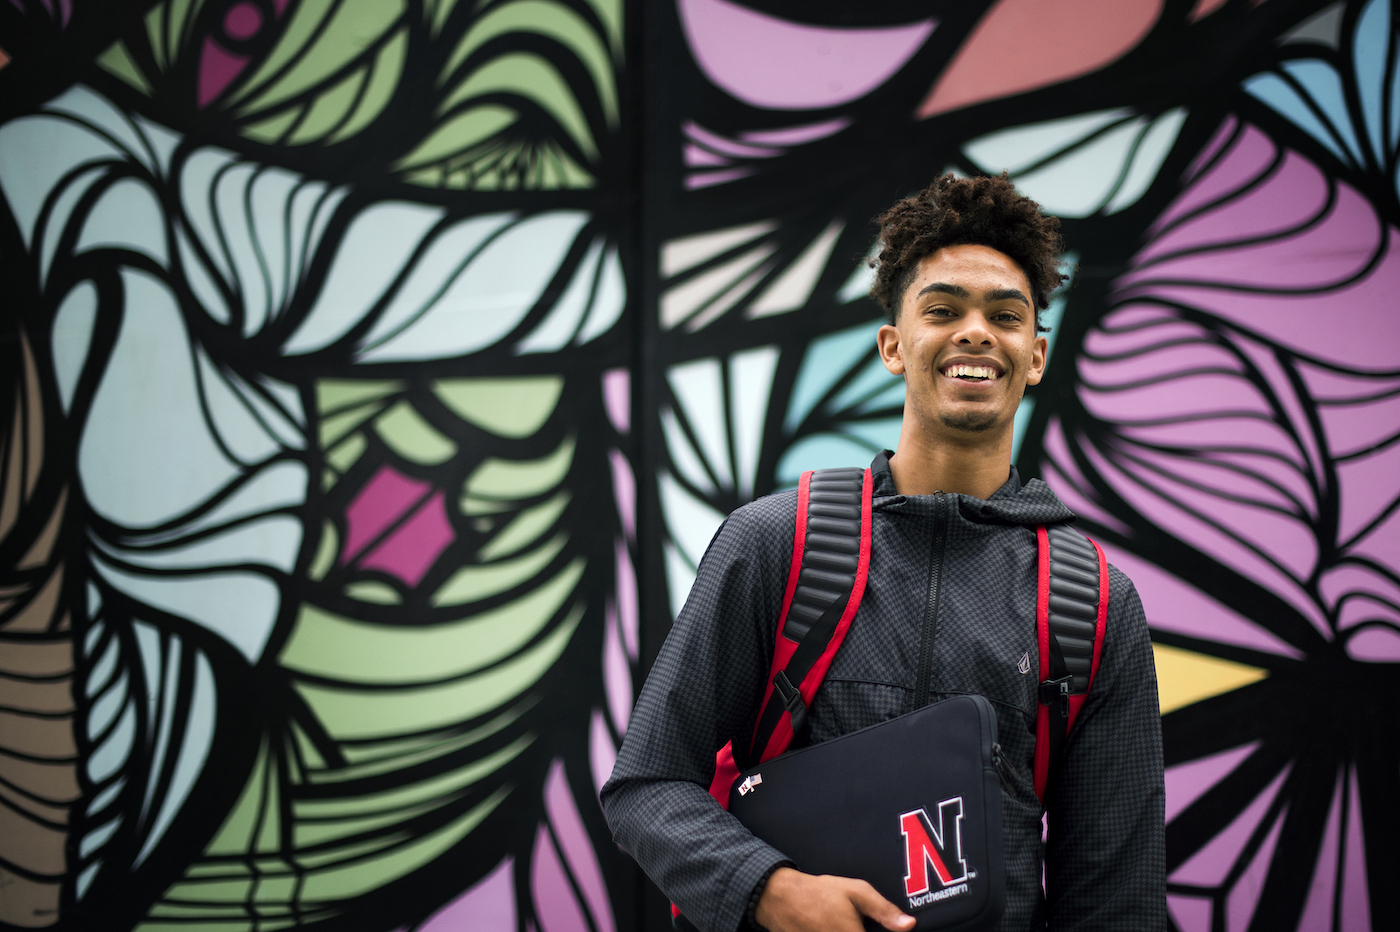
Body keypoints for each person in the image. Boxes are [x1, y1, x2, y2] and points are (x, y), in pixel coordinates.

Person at [601, 174, 1166, 932]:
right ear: (894, 347)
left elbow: (1114, 902)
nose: (975, 332)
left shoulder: (1093, 601)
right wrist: (770, 890)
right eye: (943, 310)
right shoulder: (777, 542)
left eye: (1004, 315)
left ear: (1034, 357)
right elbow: (648, 784)